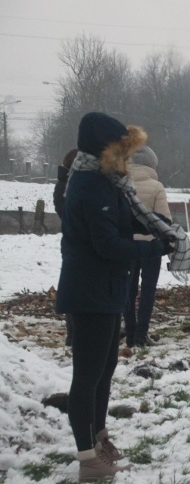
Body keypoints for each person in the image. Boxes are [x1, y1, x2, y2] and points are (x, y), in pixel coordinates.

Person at [56, 112, 175, 481]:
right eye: (122, 151)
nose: (127, 159)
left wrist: (160, 228)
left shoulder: (107, 182)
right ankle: (87, 457)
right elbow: (107, 244)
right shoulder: (90, 186)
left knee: (104, 371)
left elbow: (124, 221)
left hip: (107, 289)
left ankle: (99, 438)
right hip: (89, 292)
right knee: (88, 376)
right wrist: (155, 248)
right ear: (105, 151)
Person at [124, 145, 171, 347]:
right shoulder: (156, 186)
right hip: (151, 246)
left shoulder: (122, 184)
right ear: (152, 164)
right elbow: (164, 220)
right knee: (148, 290)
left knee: (128, 289)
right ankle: (141, 334)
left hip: (126, 245)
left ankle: (130, 332)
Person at [53, 147, 78, 346]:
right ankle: (74, 332)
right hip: (76, 243)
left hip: (69, 243)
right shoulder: (70, 186)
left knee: (72, 287)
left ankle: (73, 332)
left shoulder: (61, 186)